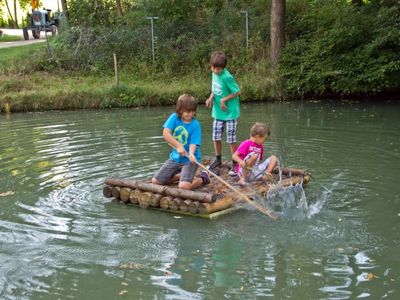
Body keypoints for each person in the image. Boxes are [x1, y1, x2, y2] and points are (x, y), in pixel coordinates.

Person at [152, 94, 210, 190]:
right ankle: (181, 176)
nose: (190, 114)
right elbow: (166, 133)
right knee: (156, 181)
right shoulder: (174, 117)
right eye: (187, 111)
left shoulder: (195, 125)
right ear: (180, 110)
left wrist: (191, 153)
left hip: (189, 160)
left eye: (192, 111)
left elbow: (193, 143)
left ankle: (203, 178)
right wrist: (178, 146)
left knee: (183, 186)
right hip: (175, 158)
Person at [205, 51, 241, 175]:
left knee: (231, 139)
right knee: (216, 137)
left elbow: (237, 92)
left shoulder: (227, 76)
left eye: (219, 69)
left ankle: (235, 164)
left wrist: (224, 100)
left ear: (223, 68)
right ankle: (218, 159)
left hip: (230, 113)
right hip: (218, 112)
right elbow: (215, 89)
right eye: (214, 68)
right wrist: (210, 98)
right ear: (211, 66)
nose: (216, 71)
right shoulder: (214, 74)